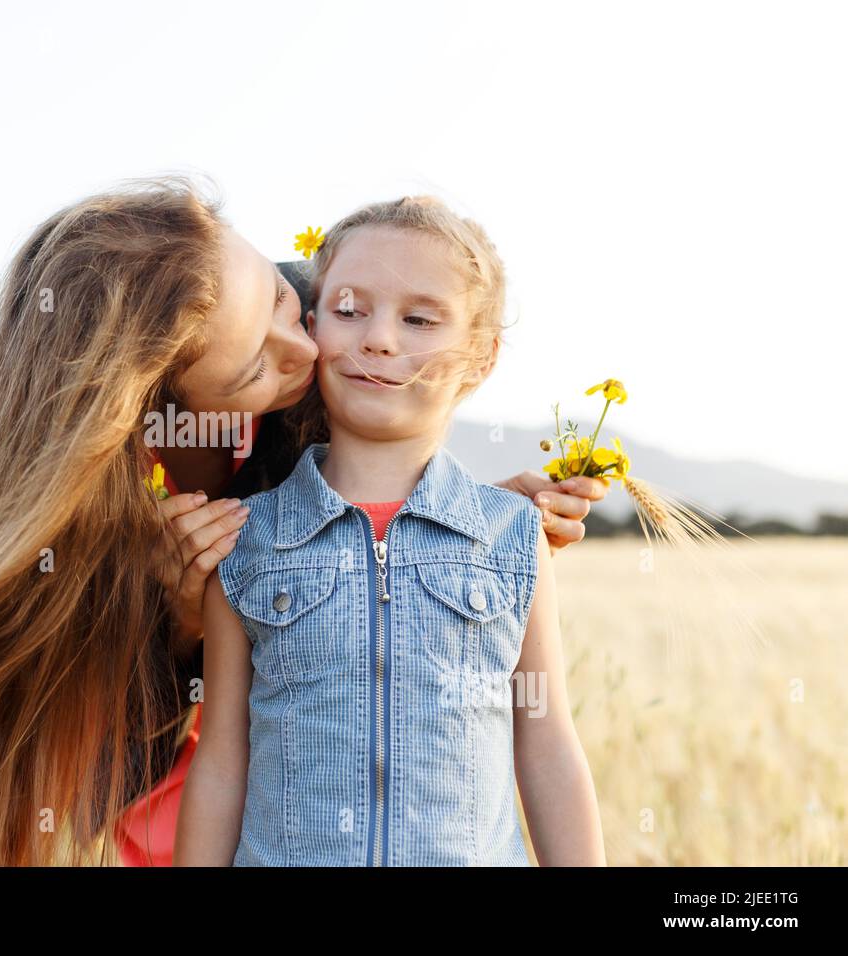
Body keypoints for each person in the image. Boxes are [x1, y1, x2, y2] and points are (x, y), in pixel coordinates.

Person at [0, 176, 606, 866]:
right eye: (255, 367)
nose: (316, 348)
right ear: (164, 406)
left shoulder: (330, 309)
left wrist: (478, 523)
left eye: (280, 301)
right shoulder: (136, 522)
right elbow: (186, 758)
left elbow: (402, 403)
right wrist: (182, 624)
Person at [174, 195, 606, 865]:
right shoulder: (247, 540)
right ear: (313, 324)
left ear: (481, 359)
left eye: (419, 318)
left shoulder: (513, 537)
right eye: (350, 310)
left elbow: (547, 747)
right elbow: (223, 760)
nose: (378, 337)